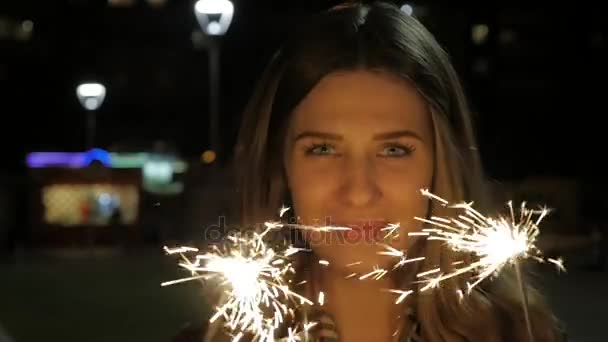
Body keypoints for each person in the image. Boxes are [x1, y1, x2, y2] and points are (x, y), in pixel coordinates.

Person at [191, 2, 567, 341]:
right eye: (322, 149)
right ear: (281, 165)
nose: (358, 190)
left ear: (441, 165)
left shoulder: (521, 336)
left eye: (394, 150)